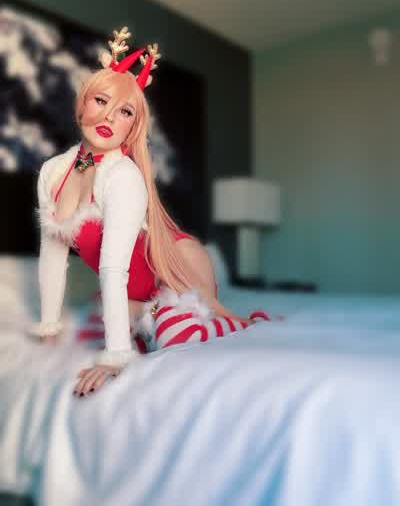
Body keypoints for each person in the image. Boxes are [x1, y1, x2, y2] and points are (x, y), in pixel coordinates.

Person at [28, 27, 269, 398]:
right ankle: (151, 320)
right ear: (82, 104)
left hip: (178, 267)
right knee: (104, 324)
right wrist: (48, 329)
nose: (109, 116)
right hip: (133, 295)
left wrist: (115, 357)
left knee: (174, 335)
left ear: (132, 126)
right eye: (101, 100)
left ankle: (224, 323)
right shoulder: (52, 172)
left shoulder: (122, 176)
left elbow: (113, 268)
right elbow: (53, 255)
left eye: (124, 111)